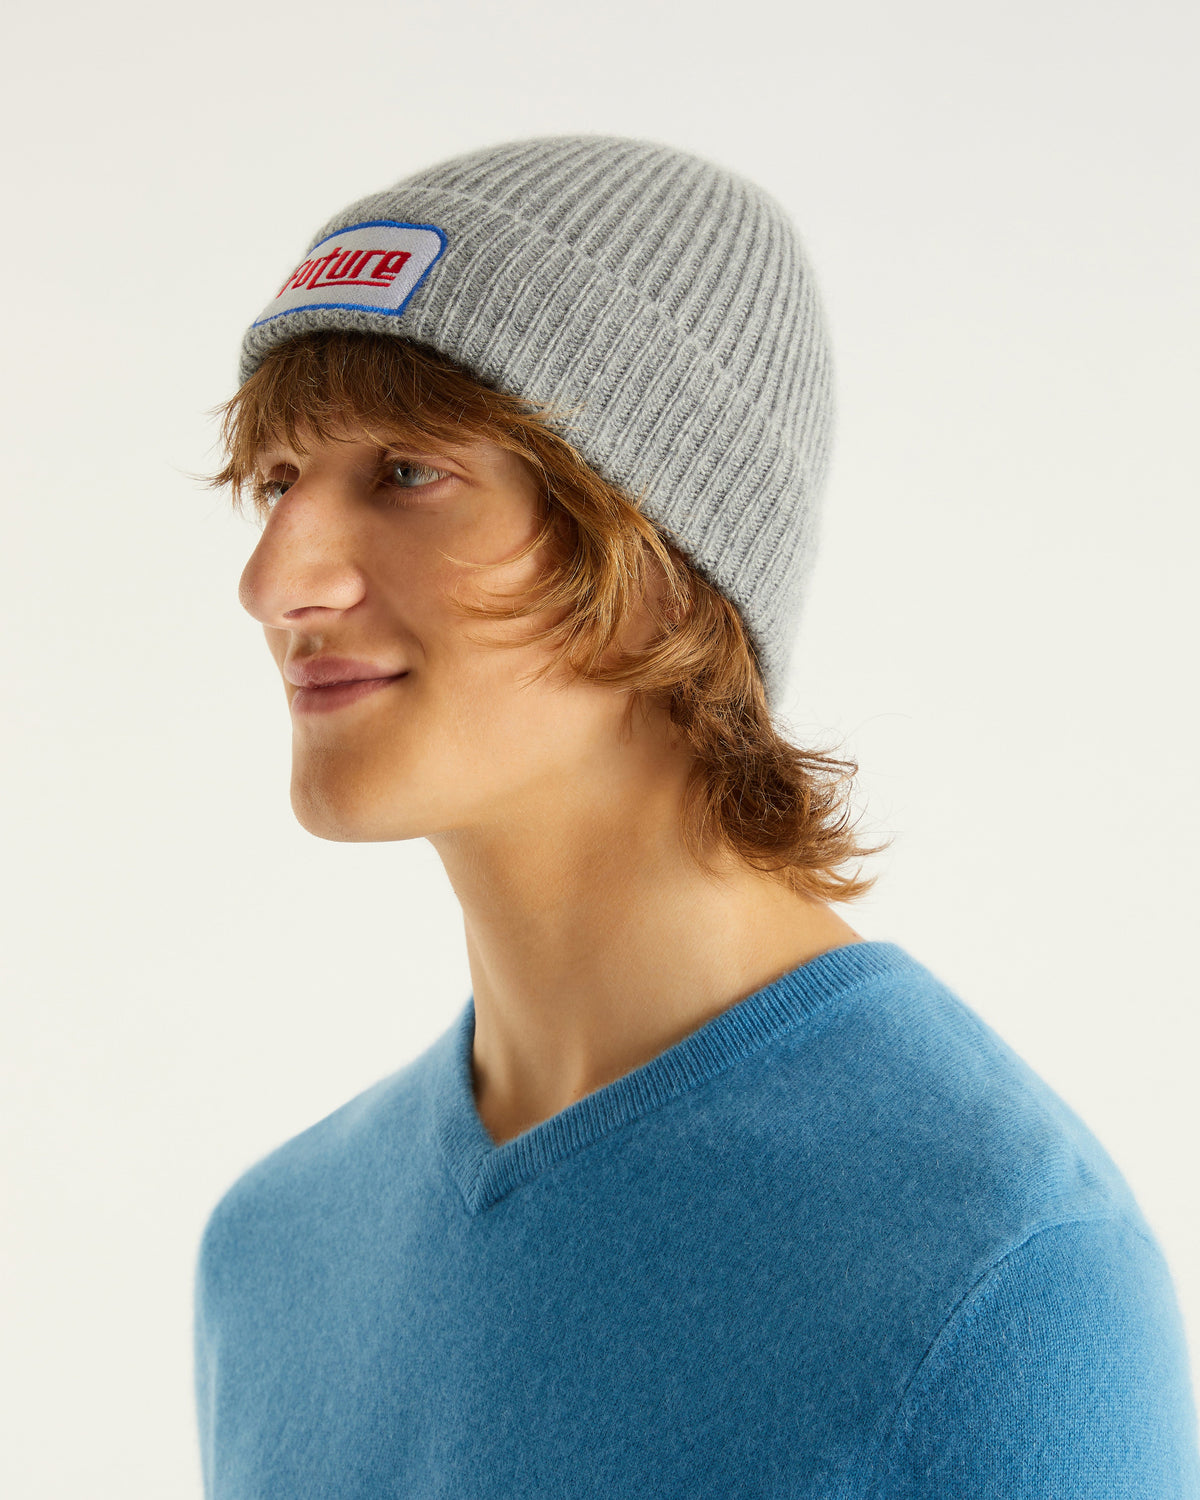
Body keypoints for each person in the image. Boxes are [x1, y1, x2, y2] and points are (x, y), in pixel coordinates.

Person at [192, 135, 1200, 1498]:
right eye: (276, 483)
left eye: (407, 473)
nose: (275, 583)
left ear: (661, 559)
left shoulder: (996, 1281)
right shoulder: (275, 1255)